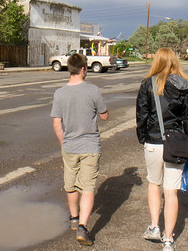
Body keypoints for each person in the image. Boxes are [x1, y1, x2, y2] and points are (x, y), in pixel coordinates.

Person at [136, 47, 188, 251]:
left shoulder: (148, 84)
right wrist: (187, 138)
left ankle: (154, 226)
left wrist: (142, 136)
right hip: (176, 143)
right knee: (171, 192)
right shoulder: (184, 85)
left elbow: (142, 115)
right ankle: (168, 239)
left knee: (154, 183)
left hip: (153, 141)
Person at [50, 53, 109, 246]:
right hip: (90, 145)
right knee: (88, 186)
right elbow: (104, 116)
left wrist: (63, 143)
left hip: (70, 146)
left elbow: (57, 123)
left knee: (71, 183)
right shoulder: (93, 90)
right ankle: (83, 226)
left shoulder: (60, 93)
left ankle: (74, 219)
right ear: (83, 69)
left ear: (69, 68)